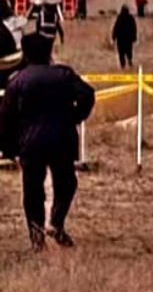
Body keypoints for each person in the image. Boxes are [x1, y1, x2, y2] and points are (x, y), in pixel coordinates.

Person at [0, 32, 95, 250]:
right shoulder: (64, 74)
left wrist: (8, 148)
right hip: (62, 139)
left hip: (30, 143)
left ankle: (37, 237)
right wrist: (75, 117)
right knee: (66, 183)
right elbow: (87, 94)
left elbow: (5, 118)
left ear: (25, 54)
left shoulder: (17, 81)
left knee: (32, 190)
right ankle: (56, 221)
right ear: (49, 52)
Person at [111, 5, 138, 69]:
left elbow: (116, 28)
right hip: (128, 39)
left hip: (121, 39)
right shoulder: (130, 18)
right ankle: (129, 60)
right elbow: (134, 28)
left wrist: (113, 37)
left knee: (121, 52)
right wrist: (134, 37)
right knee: (129, 51)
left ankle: (122, 64)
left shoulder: (120, 17)